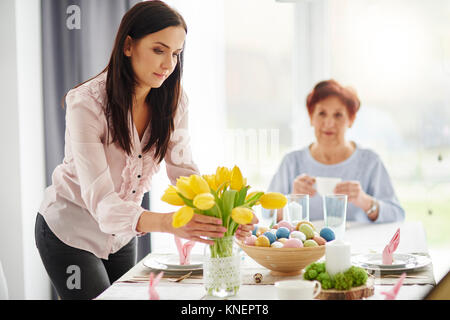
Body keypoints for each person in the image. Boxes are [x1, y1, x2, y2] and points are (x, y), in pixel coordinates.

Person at [35, 1, 255, 300]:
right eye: (158, 50)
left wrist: (224, 216)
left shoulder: (174, 100)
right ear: (128, 45)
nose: (168, 64)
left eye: (176, 54)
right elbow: (101, 202)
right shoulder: (86, 103)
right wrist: (169, 223)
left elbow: (183, 171)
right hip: (71, 230)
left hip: (124, 234)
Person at [268, 79, 405, 223]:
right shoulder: (292, 162)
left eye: (338, 115)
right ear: (311, 117)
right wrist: (292, 199)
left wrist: (365, 201)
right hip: (305, 245)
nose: (329, 123)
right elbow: (266, 215)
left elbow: (397, 215)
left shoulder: (370, 162)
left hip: (357, 244)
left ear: (351, 120)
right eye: (322, 113)